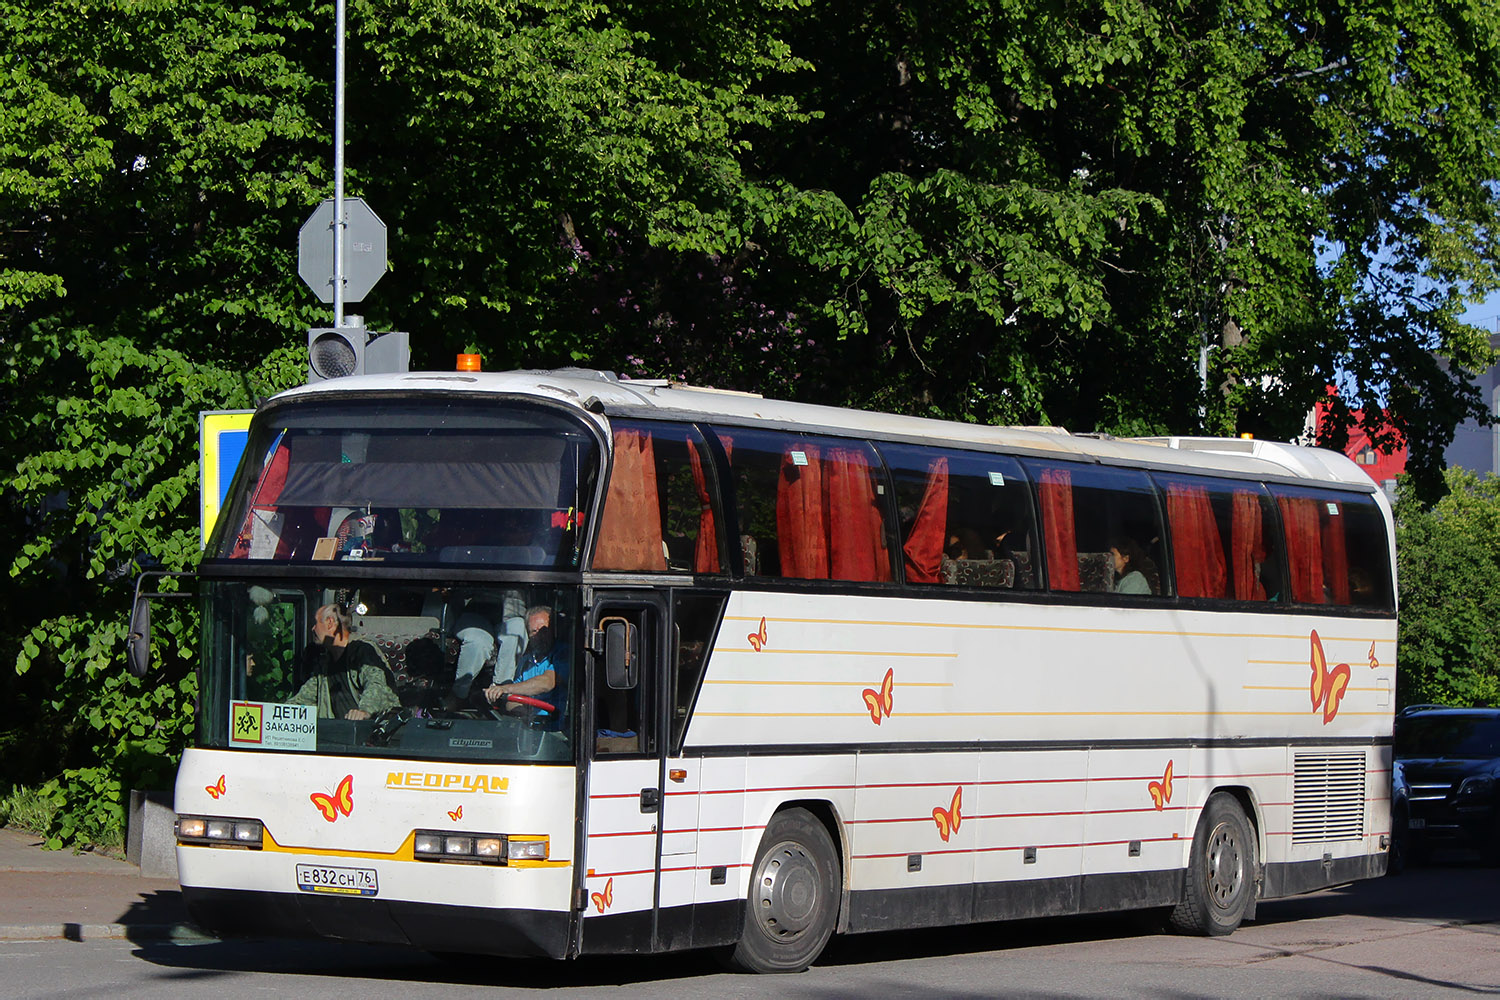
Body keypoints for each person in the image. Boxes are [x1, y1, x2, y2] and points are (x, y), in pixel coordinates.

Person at [288, 604, 401, 720]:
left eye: (316, 623)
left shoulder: (362, 651)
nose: (313, 629)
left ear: (330, 623)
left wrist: (364, 711)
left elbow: (376, 685)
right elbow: (305, 698)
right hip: (339, 734)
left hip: (374, 733)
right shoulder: (324, 664)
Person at [483, 606, 565, 719]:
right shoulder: (526, 661)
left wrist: (505, 688)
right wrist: (522, 713)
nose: (540, 637)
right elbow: (513, 698)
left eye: (544, 630)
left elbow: (547, 683)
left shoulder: (564, 653)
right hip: (529, 729)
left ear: (553, 630)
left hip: (557, 727)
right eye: (534, 631)